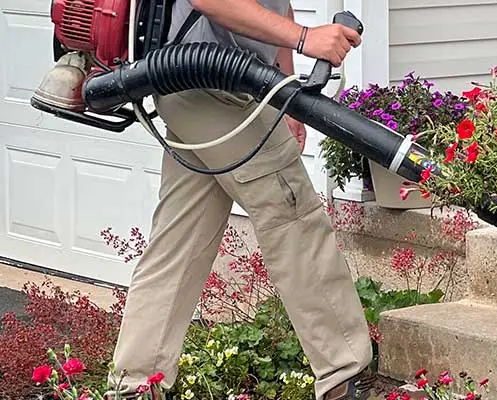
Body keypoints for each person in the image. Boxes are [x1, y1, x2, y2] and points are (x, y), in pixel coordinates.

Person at [104, 1, 371, 399]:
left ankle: (136, 384)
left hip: (207, 88)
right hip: (209, 83)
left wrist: (286, 94)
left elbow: (276, 6)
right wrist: (305, 40)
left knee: (181, 239)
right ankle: (342, 375)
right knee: (294, 218)